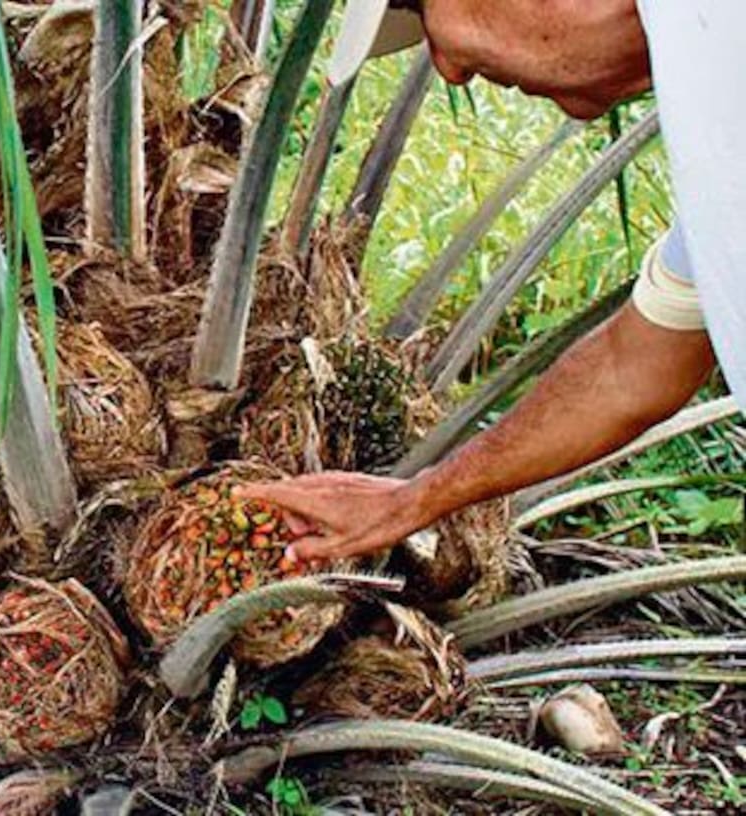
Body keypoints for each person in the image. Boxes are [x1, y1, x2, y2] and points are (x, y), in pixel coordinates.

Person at [240, 0, 746, 562]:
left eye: (417, 5)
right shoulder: (714, 104)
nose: (450, 69)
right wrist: (411, 501)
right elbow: (629, 369)